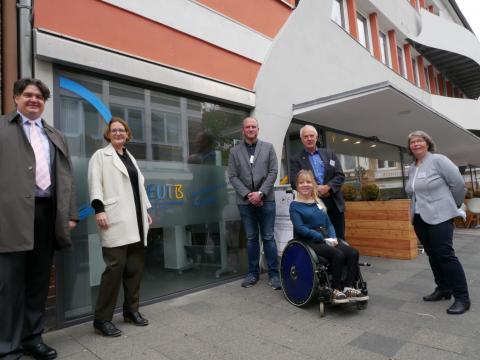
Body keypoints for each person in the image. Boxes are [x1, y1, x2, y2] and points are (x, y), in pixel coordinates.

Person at [0, 78, 78, 360]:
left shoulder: (55, 135)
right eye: (28, 95)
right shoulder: (2, 128)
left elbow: (68, 177)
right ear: (16, 98)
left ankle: (33, 339)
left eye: (40, 97)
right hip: (9, 217)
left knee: (38, 281)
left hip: (47, 213)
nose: (34, 100)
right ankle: (7, 347)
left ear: (45, 103)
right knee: (9, 285)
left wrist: (69, 213)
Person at [88, 117, 152, 337]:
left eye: (121, 130)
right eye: (114, 130)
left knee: (134, 268)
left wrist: (146, 211)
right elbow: (95, 183)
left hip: (136, 218)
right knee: (114, 269)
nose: (118, 133)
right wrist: (99, 209)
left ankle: (131, 311)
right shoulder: (101, 156)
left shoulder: (130, 156)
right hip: (115, 218)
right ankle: (102, 319)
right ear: (108, 133)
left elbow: (138, 188)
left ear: (127, 134)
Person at [405, 130, 470, 315]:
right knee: (432, 254)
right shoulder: (412, 167)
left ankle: (462, 298)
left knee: (445, 254)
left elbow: (458, 184)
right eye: (412, 142)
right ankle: (443, 289)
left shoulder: (438, 160)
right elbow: (412, 191)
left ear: (427, 143)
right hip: (419, 217)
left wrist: (453, 205)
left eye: (419, 141)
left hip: (440, 216)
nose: (416, 144)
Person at [289, 170, 368, 303]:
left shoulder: (318, 202)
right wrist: (317, 236)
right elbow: (300, 228)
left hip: (326, 236)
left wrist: (333, 237)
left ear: (313, 184)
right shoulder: (295, 205)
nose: (305, 185)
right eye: (301, 182)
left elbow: (329, 224)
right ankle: (336, 290)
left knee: (353, 252)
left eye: (308, 182)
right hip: (310, 239)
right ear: (297, 186)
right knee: (338, 254)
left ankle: (348, 288)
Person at [227, 116, 281, 289]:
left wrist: (261, 193)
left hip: (267, 200)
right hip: (245, 202)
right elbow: (233, 176)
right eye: (247, 127)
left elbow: (273, 171)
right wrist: (248, 194)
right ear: (243, 130)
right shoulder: (234, 151)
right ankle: (252, 273)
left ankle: (274, 274)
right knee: (251, 239)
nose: (250, 129)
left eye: (253, 126)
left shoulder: (268, 148)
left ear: (258, 129)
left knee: (268, 237)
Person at [289, 125, 346, 239]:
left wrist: (328, 187)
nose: (309, 139)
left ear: (317, 137)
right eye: (306, 136)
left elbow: (340, 175)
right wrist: (315, 189)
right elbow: (294, 182)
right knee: (320, 239)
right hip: (313, 204)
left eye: (311, 136)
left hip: (333, 201)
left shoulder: (330, 154)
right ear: (301, 139)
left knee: (339, 237)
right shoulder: (296, 159)